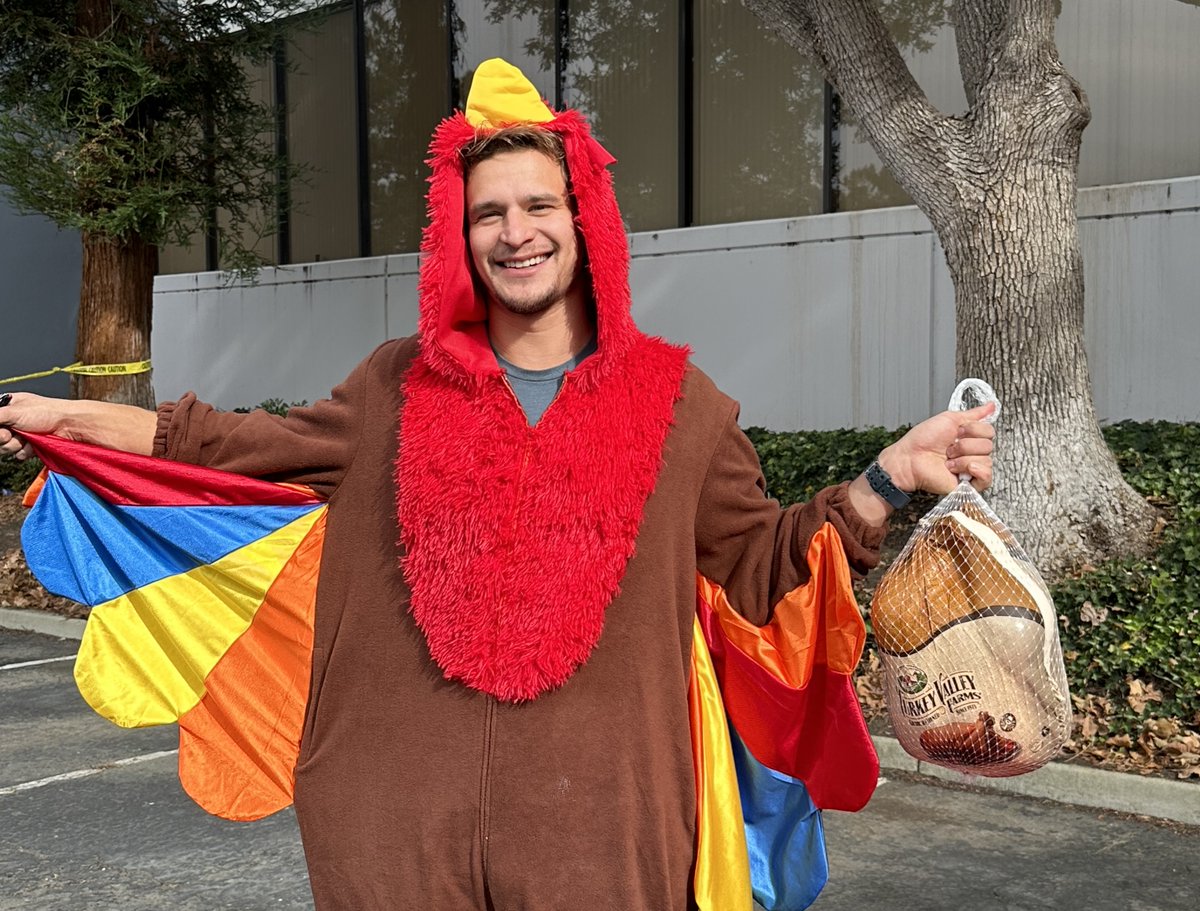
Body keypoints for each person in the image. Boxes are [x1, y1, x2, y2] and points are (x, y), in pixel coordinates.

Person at [0, 59, 994, 910]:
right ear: (459, 235)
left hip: (606, 838)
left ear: (583, 217)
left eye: (538, 205)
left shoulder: (681, 405)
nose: (516, 232)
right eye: (488, 213)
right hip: (395, 836)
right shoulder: (393, 385)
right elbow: (226, 444)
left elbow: (761, 566)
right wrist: (69, 422)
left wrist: (892, 475)